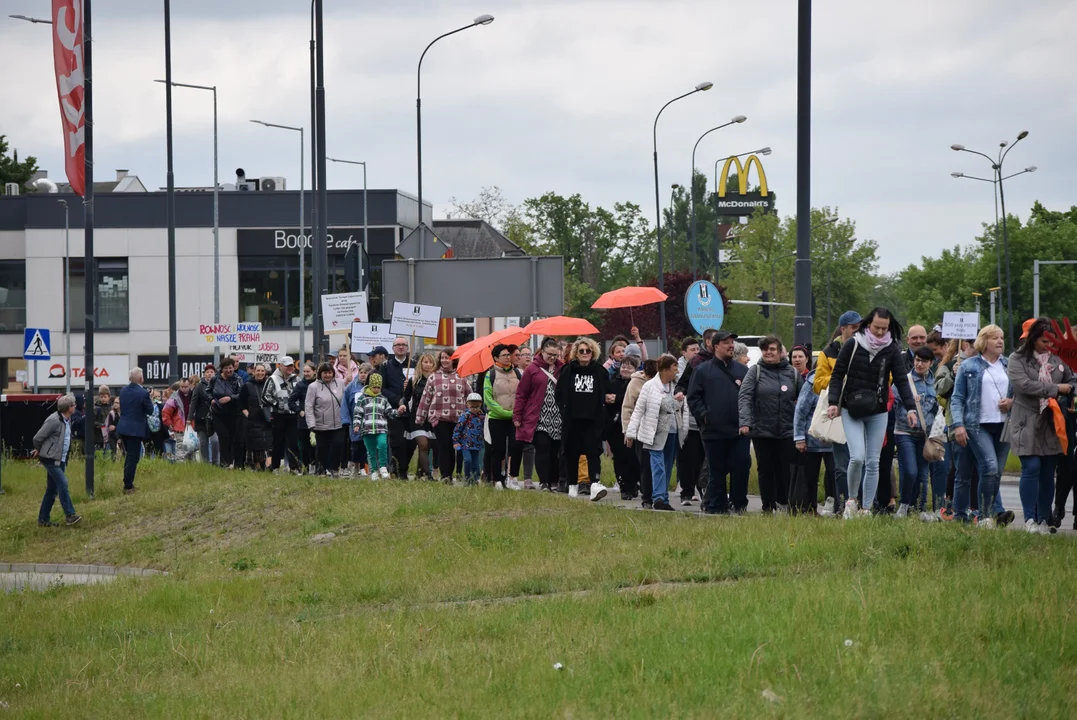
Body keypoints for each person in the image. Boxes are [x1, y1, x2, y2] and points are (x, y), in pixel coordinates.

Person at [826, 307, 917, 519]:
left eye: (884, 328)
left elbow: (902, 380)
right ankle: (851, 501)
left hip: (877, 410)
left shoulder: (892, 348)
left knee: (874, 461)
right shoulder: (853, 343)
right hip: (851, 408)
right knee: (857, 457)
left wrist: (911, 408)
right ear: (869, 323)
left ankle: (866, 508)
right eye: (876, 327)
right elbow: (838, 374)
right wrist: (833, 403)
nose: (879, 332)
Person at [1007, 318, 1074, 533]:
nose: (1049, 346)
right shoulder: (1017, 358)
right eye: (1045, 341)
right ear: (1034, 339)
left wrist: (1070, 389)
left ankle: (1043, 518)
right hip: (1026, 420)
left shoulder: (1059, 358)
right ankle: (1029, 519)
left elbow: (1072, 381)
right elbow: (1025, 385)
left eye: (1052, 342)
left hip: (1052, 420)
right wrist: (1057, 388)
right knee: (1032, 467)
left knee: (1047, 472)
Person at [949, 324, 1014, 527]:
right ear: (984, 341)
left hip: (1004, 425)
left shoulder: (1008, 365)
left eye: (1002, 337)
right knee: (989, 467)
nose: (1000, 341)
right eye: (995, 338)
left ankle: (980, 514)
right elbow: (957, 398)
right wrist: (958, 425)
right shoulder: (969, 365)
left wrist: (1011, 402)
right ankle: (984, 516)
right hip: (976, 425)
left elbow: (1019, 393)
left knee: (996, 473)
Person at [688, 330, 751, 515]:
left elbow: (750, 397)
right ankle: (717, 506)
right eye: (726, 342)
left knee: (741, 465)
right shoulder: (702, 371)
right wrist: (705, 416)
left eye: (732, 342)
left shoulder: (742, 371)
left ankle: (739, 505)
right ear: (716, 346)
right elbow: (693, 398)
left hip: (739, 430)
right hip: (713, 431)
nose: (731, 345)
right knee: (717, 470)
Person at [738, 336, 802, 513]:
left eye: (772, 349)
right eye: (765, 349)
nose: (768, 352)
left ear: (781, 352)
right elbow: (745, 397)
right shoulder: (755, 371)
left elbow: (803, 400)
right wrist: (745, 422)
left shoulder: (793, 373)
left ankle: (785, 503)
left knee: (786, 468)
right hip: (762, 430)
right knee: (766, 469)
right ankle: (768, 505)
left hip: (787, 430)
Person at [814, 311, 862, 513]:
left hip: (862, 412)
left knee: (862, 462)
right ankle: (842, 505)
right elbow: (817, 384)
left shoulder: (869, 348)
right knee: (841, 465)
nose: (858, 331)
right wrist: (839, 378)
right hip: (839, 414)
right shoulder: (828, 352)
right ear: (843, 329)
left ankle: (861, 505)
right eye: (854, 327)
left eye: (860, 327)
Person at [625, 354, 683, 511]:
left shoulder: (676, 386)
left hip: (671, 432)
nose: (677, 371)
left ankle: (663, 497)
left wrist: (680, 400)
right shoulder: (649, 386)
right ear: (664, 369)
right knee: (657, 466)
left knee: (667, 466)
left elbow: (678, 409)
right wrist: (630, 433)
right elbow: (638, 410)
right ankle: (657, 499)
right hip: (653, 433)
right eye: (674, 368)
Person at [555, 336, 610, 501]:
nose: (585, 353)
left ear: (593, 352)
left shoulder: (600, 371)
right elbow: (559, 393)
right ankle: (572, 485)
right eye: (581, 351)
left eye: (588, 351)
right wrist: (564, 411)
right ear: (576, 354)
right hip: (572, 420)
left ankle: (595, 483)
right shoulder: (567, 370)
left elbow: (607, 392)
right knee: (571, 453)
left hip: (593, 420)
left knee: (593, 453)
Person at [893, 346, 939, 518]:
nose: (919, 364)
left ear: (931, 363)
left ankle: (920, 508)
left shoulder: (935, 382)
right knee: (910, 470)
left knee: (923, 474)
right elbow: (895, 403)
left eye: (924, 361)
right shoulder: (904, 381)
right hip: (905, 432)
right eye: (917, 360)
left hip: (926, 435)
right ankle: (904, 504)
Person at [514, 338, 564, 492]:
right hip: (539, 416)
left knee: (555, 450)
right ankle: (543, 482)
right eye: (549, 354)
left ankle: (553, 481)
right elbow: (521, 393)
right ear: (542, 352)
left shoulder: (562, 369)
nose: (552, 358)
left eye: (555, 355)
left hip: (557, 417)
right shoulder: (532, 369)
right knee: (542, 448)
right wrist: (517, 415)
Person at [416, 349, 471, 483]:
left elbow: (470, 396)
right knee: (444, 446)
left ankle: (452, 473)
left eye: (447, 358)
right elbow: (426, 398)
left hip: (458, 418)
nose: (444, 361)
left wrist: (473, 414)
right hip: (439, 418)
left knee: (454, 447)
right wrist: (420, 416)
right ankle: (446, 475)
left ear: (454, 360)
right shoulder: (433, 377)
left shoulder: (462, 376)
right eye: (442, 358)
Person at [32, 394, 82, 527]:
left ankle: (43, 519)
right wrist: (39, 449)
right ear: (69, 408)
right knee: (63, 483)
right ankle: (70, 515)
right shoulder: (53, 420)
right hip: (50, 458)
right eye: (74, 405)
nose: (75, 406)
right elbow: (38, 437)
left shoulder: (67, 419)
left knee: (52, 490)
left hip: (61, 458)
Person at [793, 366, 835, 514]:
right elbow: (800, 411)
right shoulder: (811, 383)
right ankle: (810, 509)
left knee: (835, 474)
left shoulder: (843, 380)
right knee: (810, 477)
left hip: (836, 440)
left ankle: (836, 508)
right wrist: (799, 438)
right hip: (812, 439)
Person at [484, 343, 523, 490]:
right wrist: (504, 412)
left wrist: (517, 413)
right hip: (497, 418)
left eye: (509, 355)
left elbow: (522, 395)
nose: (508, 358)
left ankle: (512, 477)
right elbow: (488, 398)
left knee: (516, 446)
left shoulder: (518, 373)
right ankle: (498, 479)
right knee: (497, 449)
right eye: (504, 355)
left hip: (515, 419)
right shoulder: (491, 374)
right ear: (495, 358)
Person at [623, 359, 658, 506]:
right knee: (645, 465)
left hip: (658, 431)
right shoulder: (635, 383)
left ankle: (657, 494)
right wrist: (627, 432)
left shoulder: (662, 383)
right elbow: (628, 408)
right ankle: (647, 495)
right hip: (640, 431)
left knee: (657, 465)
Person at [607, 355, 640, 500]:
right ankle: (624, 487)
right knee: (620, 458)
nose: (626, 369)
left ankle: (633, 483)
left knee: (633, 457)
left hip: (633, 426)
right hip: (615, 426)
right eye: (624, 366)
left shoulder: (638, 383)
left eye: (630, 366)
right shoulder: (613, 381)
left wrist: (617, 398)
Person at [117, 367, 153, 494]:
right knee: (133, 457)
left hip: (123, 427)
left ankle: (127, 481)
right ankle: (128, 485)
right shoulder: (143, 393)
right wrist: (150, 398)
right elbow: (150, 410)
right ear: (140, 378)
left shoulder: (123, 390)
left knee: (129, 455)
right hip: (135, 429)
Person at [353, 372, 395, 479]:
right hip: (367, 430)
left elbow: (389, 412)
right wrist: (356, 424)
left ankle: (383, 466)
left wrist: (397, 412)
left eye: (378, 387)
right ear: (370, 386)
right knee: (371, 451)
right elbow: (357, 413)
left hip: (381, 428)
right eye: (374, 387)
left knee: (382, 445)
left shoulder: (383, 399)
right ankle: (374, 471)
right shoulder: (363, 399)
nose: (376, 389)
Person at [403, 354, 437, 480]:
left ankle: (419, 473)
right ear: (421, 364)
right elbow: (405, 397)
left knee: (427, 446)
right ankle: (428, 475)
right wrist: (402, 405)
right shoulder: (414, 380)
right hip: (417, 417)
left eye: (430, 362)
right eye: (425, 362)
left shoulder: (436, 380)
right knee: (422, 444)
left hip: (431, 418)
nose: (427, 365)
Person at [384, 338, 412, 478]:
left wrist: (410, 387)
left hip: (412, 410)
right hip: (394, 410)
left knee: (411, 442)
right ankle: (399, 471)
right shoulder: (386, 366)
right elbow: (382, 388)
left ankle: (404, 467)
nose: (401, 347)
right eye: (398, 345)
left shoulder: (414, 364)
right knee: (397, 442)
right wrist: (398, 400)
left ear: (408, 348)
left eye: (403, 345)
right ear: (393, 348)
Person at [265, 357, 299, 473]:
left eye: (291, 366)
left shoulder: (296, 379)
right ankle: (275, 467)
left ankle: (294, 468)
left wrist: (298, 408)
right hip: (278, 415)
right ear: (280, 366)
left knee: (293, 442)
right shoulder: (272, 378)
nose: (290, 368)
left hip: (293, 415)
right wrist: (277, 404)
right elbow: (265, 396)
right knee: (277, 442)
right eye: (287, 366)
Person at [211, 358, 245, 469]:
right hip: (218, 413)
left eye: (230, 368)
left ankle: (237, 464)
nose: (229, 370)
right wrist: (211, 399)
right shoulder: (215, 379)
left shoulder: (238, 379)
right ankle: (225, 463)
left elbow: (241, 394)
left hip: (234, 413)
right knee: (224, 438)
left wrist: (230, 398)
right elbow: (207, 391)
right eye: (226, 368)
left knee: (236, 439)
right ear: (222, 369)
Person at [240, 363, 273, 471]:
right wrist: (248, 415)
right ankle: (257, 465)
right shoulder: (247, 386)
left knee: (267, 443)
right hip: (253, 420)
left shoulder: (269, 385)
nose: (260, 373)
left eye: (262, 371)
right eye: (258, 371)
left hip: (267, 419)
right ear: (254, 372)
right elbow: (241, 404)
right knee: (256, 444)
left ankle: (269, 465)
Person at [341, 362, 370, 477]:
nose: (363, 375)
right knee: (356, 446)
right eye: (361, 372)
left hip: (369, 421)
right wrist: (345, 419)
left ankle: (366, 467)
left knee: (368, 445)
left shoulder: (374, 387)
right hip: (356, 422)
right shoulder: (351, 387)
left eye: (366, 373)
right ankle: (356, 466)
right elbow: (345, 403)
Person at [289, 362, 317, 475]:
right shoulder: (300, 385)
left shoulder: (319, 384)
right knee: (304, 446)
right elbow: (291, 401)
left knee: (316, 445)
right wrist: (299, 410)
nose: (306, 374)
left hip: (318, 419)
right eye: (304, 372)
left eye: (308, 371)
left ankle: (316, 466)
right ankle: (305, 466)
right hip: (304, 421)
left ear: (314, 371)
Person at [454, 393, 486, 485]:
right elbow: (458, 429)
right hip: (465, 444)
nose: (475, 408)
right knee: (468, 460)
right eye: (472, 406)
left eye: (477, 406)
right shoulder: (465, 416)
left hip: (477, 444)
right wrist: (456, 441)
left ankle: (475, 479)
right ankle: (467, 478)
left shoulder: (482, 417)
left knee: (476, 463)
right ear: (467, 405)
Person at [189, 365, 218, 464]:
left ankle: (215, 462)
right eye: (207, 372)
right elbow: (193, 402)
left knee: (215, 441)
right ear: (204, 374)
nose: (210, 373)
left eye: (211, 372)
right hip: (202, 418)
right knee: (203, 442)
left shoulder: (218, 384)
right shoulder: (199, 386)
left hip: (215, 417)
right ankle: (205, 463)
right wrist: (190, 417)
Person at [161, 378, 193, 462]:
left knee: (193, 449)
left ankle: (191, 467)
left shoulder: (194, 395)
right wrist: (169, 424)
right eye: (182, 387)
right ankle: (181, 468)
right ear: (179, 386)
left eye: (186, 387)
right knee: (180, 449)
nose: (184, 389)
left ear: (189, 386)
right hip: (179, 427)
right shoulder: (174, 398)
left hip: (192, 427)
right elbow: (165, 412)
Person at [92, 385, 111, 453]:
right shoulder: (96, 408)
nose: (103, 399)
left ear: (109, 397)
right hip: (98, 436)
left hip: (110, 435)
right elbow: (92, 421)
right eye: (101, 397)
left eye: (105, 397)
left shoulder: (111, 408)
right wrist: (101, 425)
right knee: (98, 452)